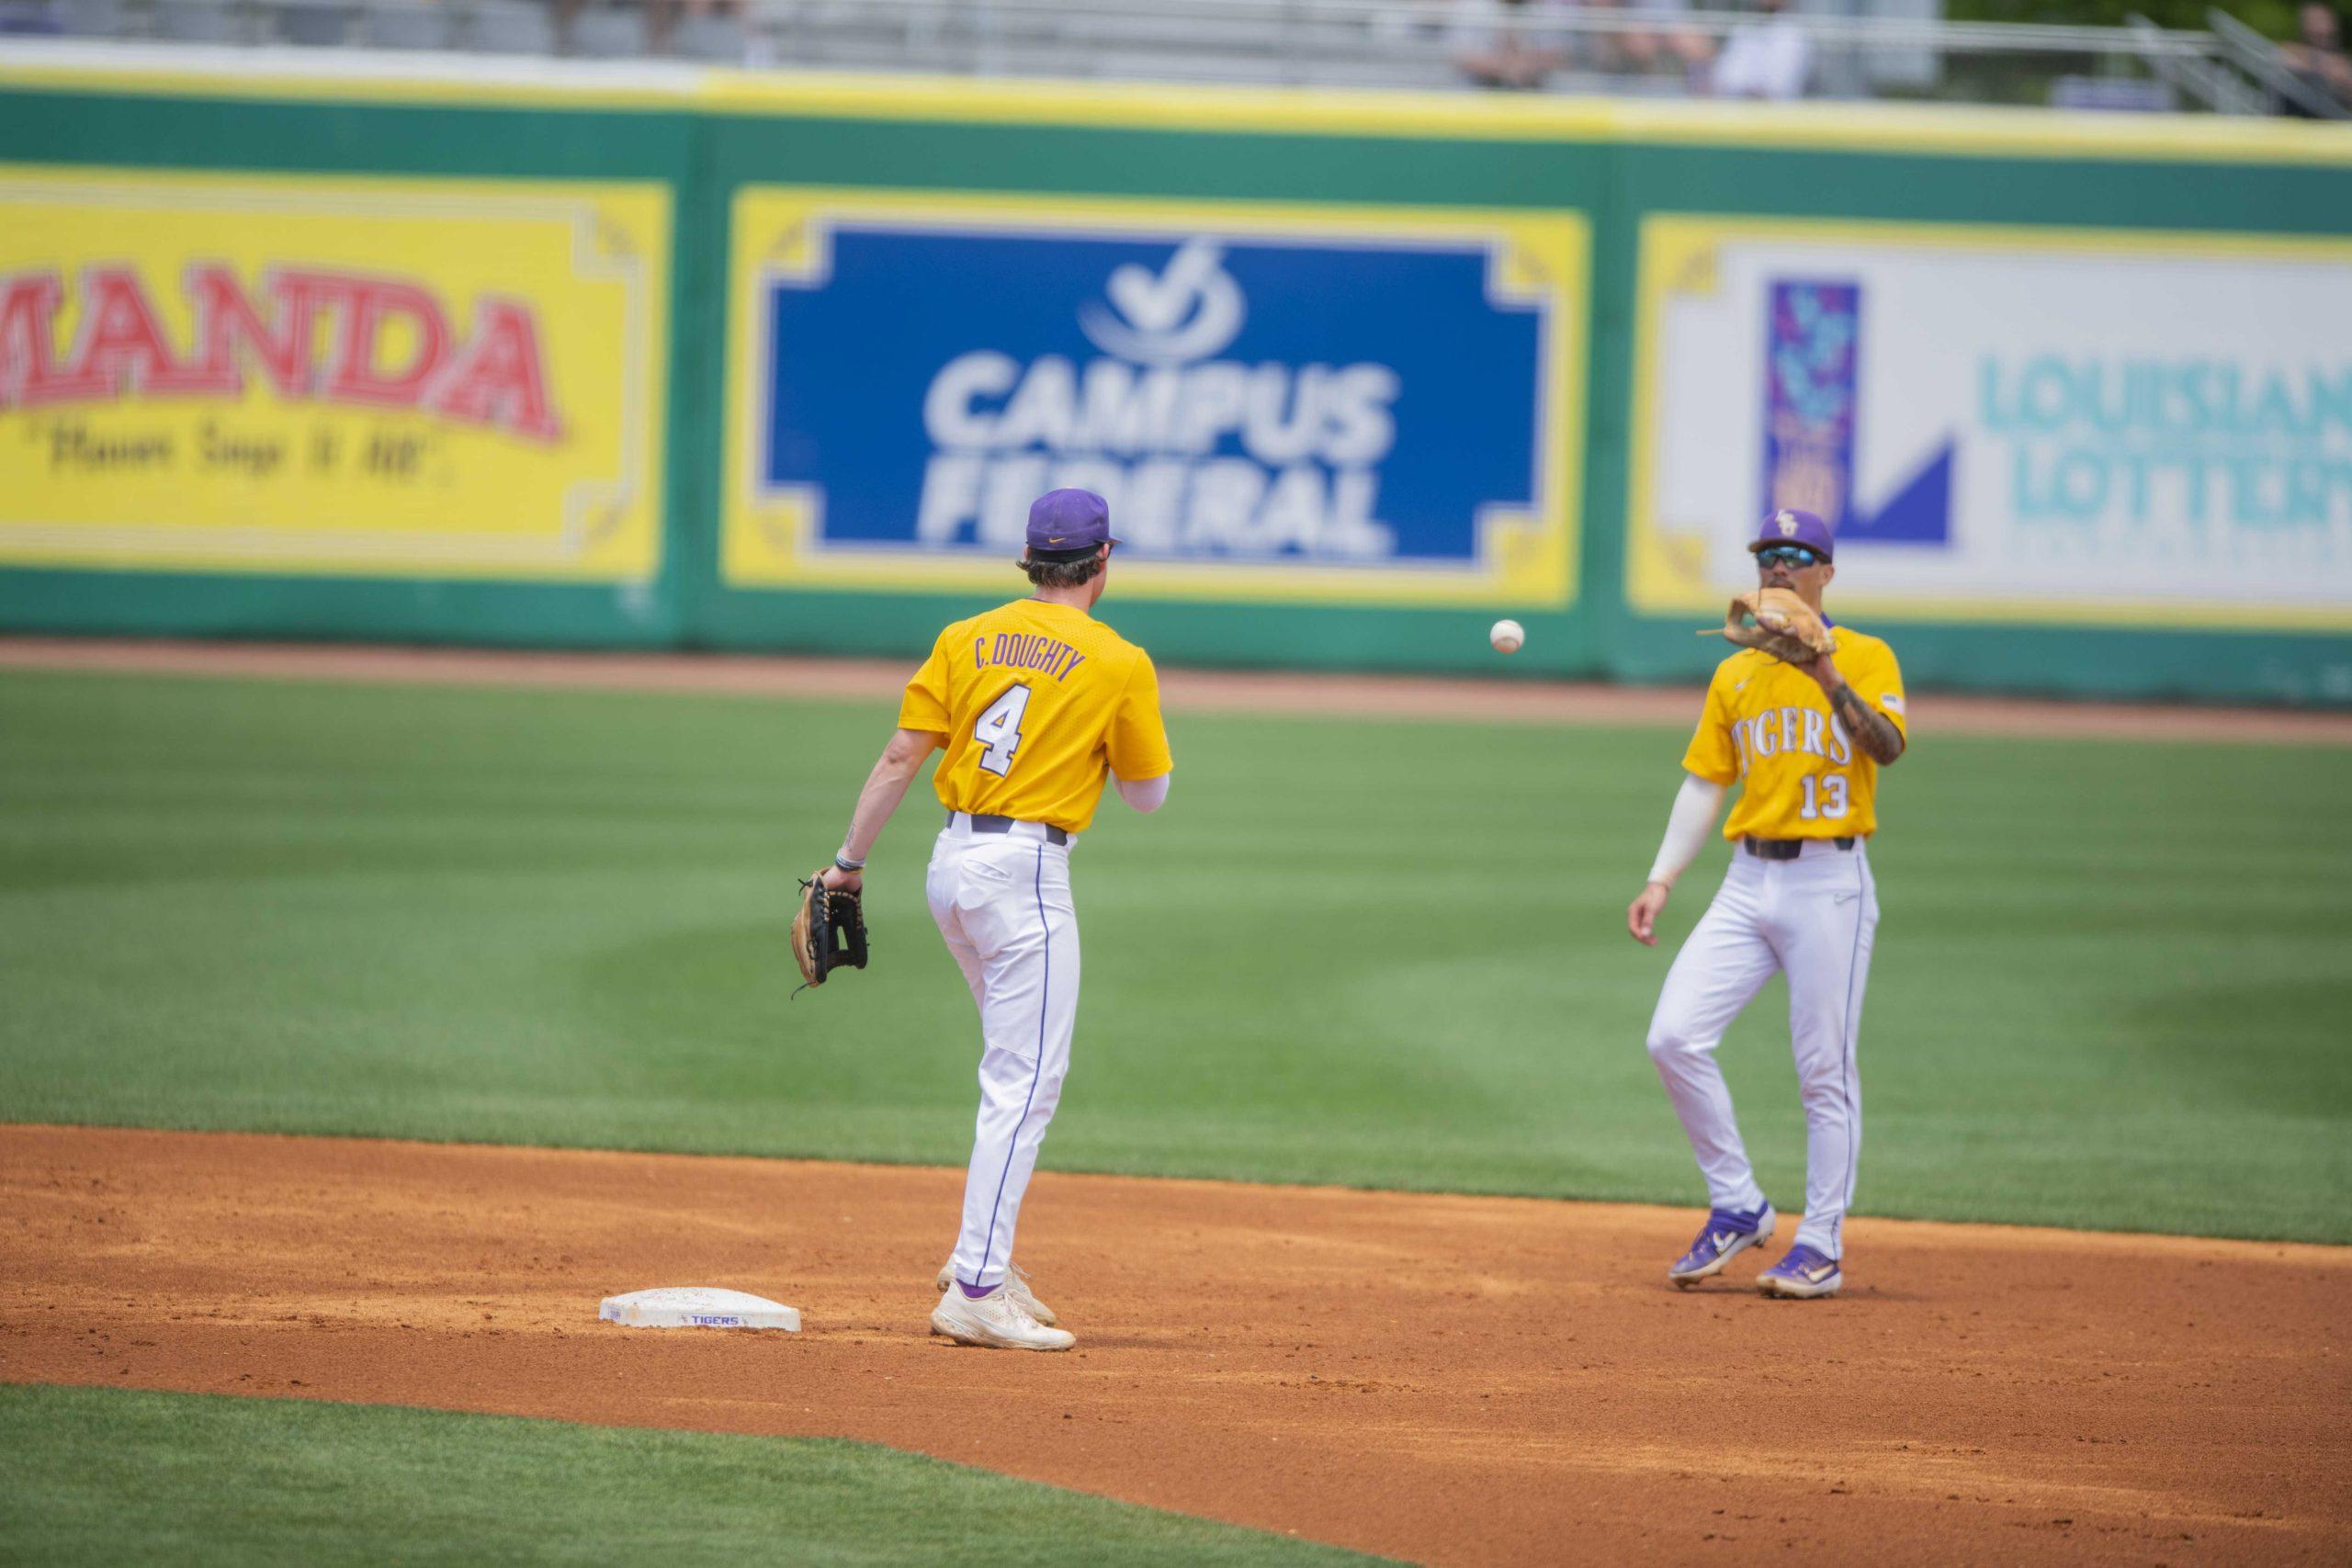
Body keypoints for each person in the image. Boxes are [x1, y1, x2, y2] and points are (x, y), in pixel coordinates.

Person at [814, 489, 1172, 1351]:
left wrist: (849, 864)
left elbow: (902, 753)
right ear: (1103, 561)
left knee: (1013, 1066)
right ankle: (976, 1285)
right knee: (1024, 1083)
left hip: (950, 870)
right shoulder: (1120, 659)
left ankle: (985, 1259)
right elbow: (1147, 796)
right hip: (1025, 878)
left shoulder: (964, 637)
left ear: (1029, 560)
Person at [1626, 508, 1906, 1300]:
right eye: (1766, 556)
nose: (1777, 567)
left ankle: (1821, 1243)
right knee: (1673, 1035)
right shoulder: (1735, 672)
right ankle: (1739, 1202)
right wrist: (1661, 878)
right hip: (1748, 882)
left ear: (1825, 570)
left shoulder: (1867, 655)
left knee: (1824, 1071)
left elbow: (1885, 746)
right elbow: (1705, 780)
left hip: (1830, 884)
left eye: (1795, 554)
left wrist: (1826, 675)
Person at [1706, 0, 1813, 101]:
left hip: (1781, 112)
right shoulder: (1744, 28)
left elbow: (1782, 83)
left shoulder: (1794, 33)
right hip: (1739, 108)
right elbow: (1727, 76)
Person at [2278, 3, 2352, 118]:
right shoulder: (2293, 50)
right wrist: (2325, 66)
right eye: (2315, 21)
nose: (2321, 28)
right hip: (2299, 122)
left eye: (2324, 20)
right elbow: (2283, 54)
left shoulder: (2342, 59)